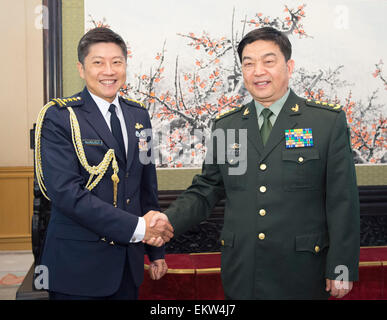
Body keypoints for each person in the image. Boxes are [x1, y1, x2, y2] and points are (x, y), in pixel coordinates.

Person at [159, 27, 360, 299]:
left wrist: (342, 267)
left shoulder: (325, 123)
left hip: (303, 273)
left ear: (288, 66)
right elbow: (206, 190)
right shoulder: (226, 126)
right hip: (243, 271)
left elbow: (343, 200)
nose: (258, 71)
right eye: (248, 63)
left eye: (268, 61)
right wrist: (165, 221)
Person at [35, 27, 173, 300]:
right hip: (78, 268)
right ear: (81, 68)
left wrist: (156, 251)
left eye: (116, 62)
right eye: (98, 62)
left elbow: (146, 185)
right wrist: (141, 229)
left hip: (127, 266)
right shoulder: (60, 117)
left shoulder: (139, 115)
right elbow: (66, 194)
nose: (108, 71)